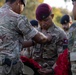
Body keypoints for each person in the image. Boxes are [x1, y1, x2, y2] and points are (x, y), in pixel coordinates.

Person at [0, 0, 54, 75]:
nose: (22, 10)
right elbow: (40, 38)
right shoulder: (17, 18)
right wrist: (47, 38)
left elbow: (12, 42)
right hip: (9, 68)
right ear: (19, 2)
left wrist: (32, 42)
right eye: (23, 7)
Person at [31, 3, 68, 75]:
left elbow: (62, 57)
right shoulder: (35, 33)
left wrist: (52, 70)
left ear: (52, 16)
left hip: (51, 71)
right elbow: (29, 54)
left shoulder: (60, 34)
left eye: (46, 20)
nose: (43, 23)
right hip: (35, 71)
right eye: (40, 21)